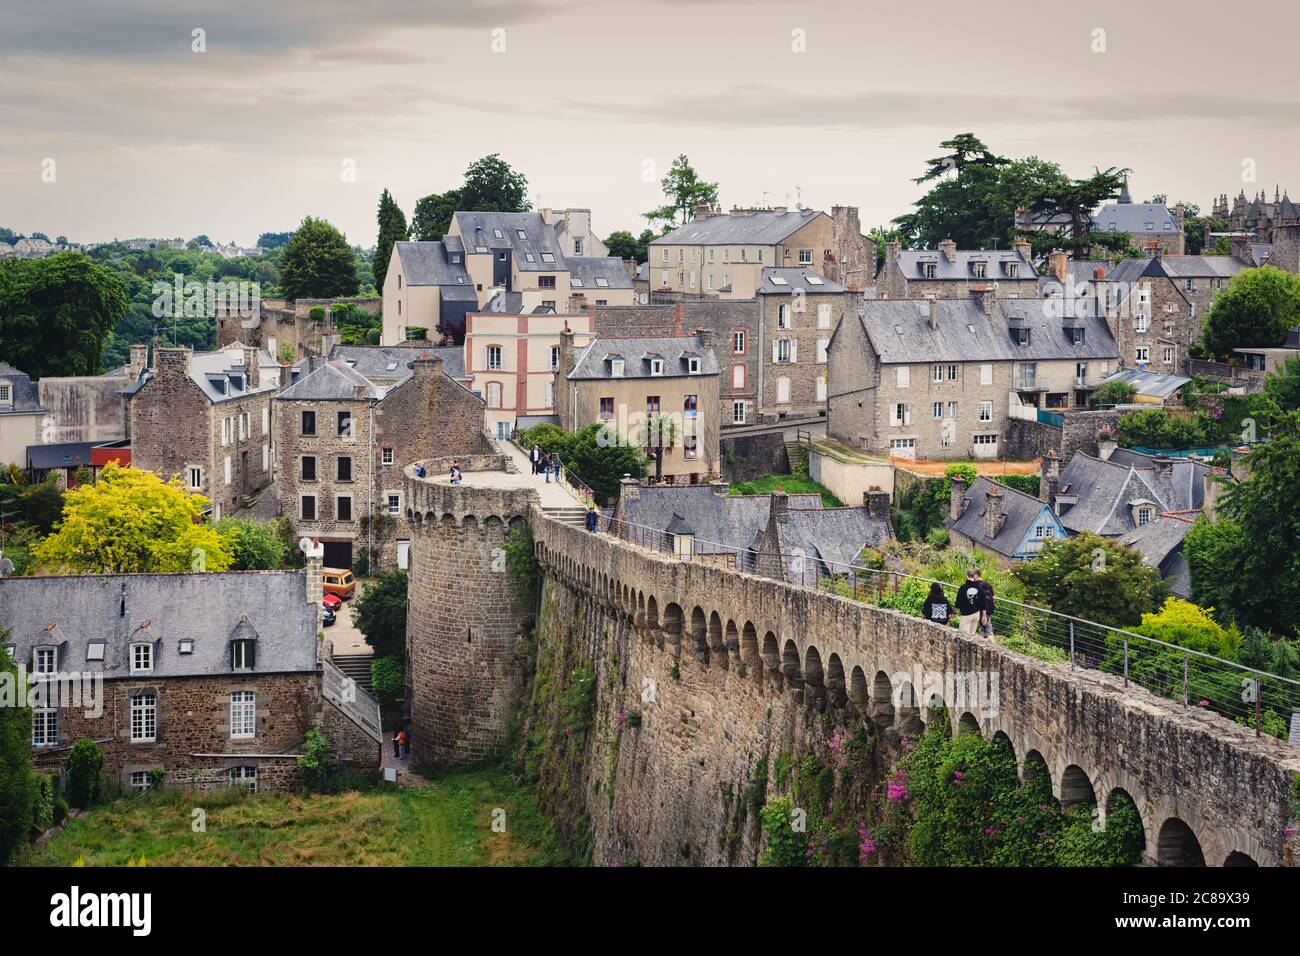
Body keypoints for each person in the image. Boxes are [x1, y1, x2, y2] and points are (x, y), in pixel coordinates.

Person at [956, 570, 985, 636]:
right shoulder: (980, 588)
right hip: (976, 613)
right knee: (972, 635)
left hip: (966, 614)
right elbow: (983, 603)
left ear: (966, 576)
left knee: (963, 636)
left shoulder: (963, 587)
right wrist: (984, 616)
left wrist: (954, 613)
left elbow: (958, 602)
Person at [976, 572, 996, 637]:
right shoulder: (988, 585)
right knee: (983, 628)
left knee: (988, 629)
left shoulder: (975, 586)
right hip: (989, 610)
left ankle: (992, 646)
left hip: (980, 610)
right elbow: (993, 598)